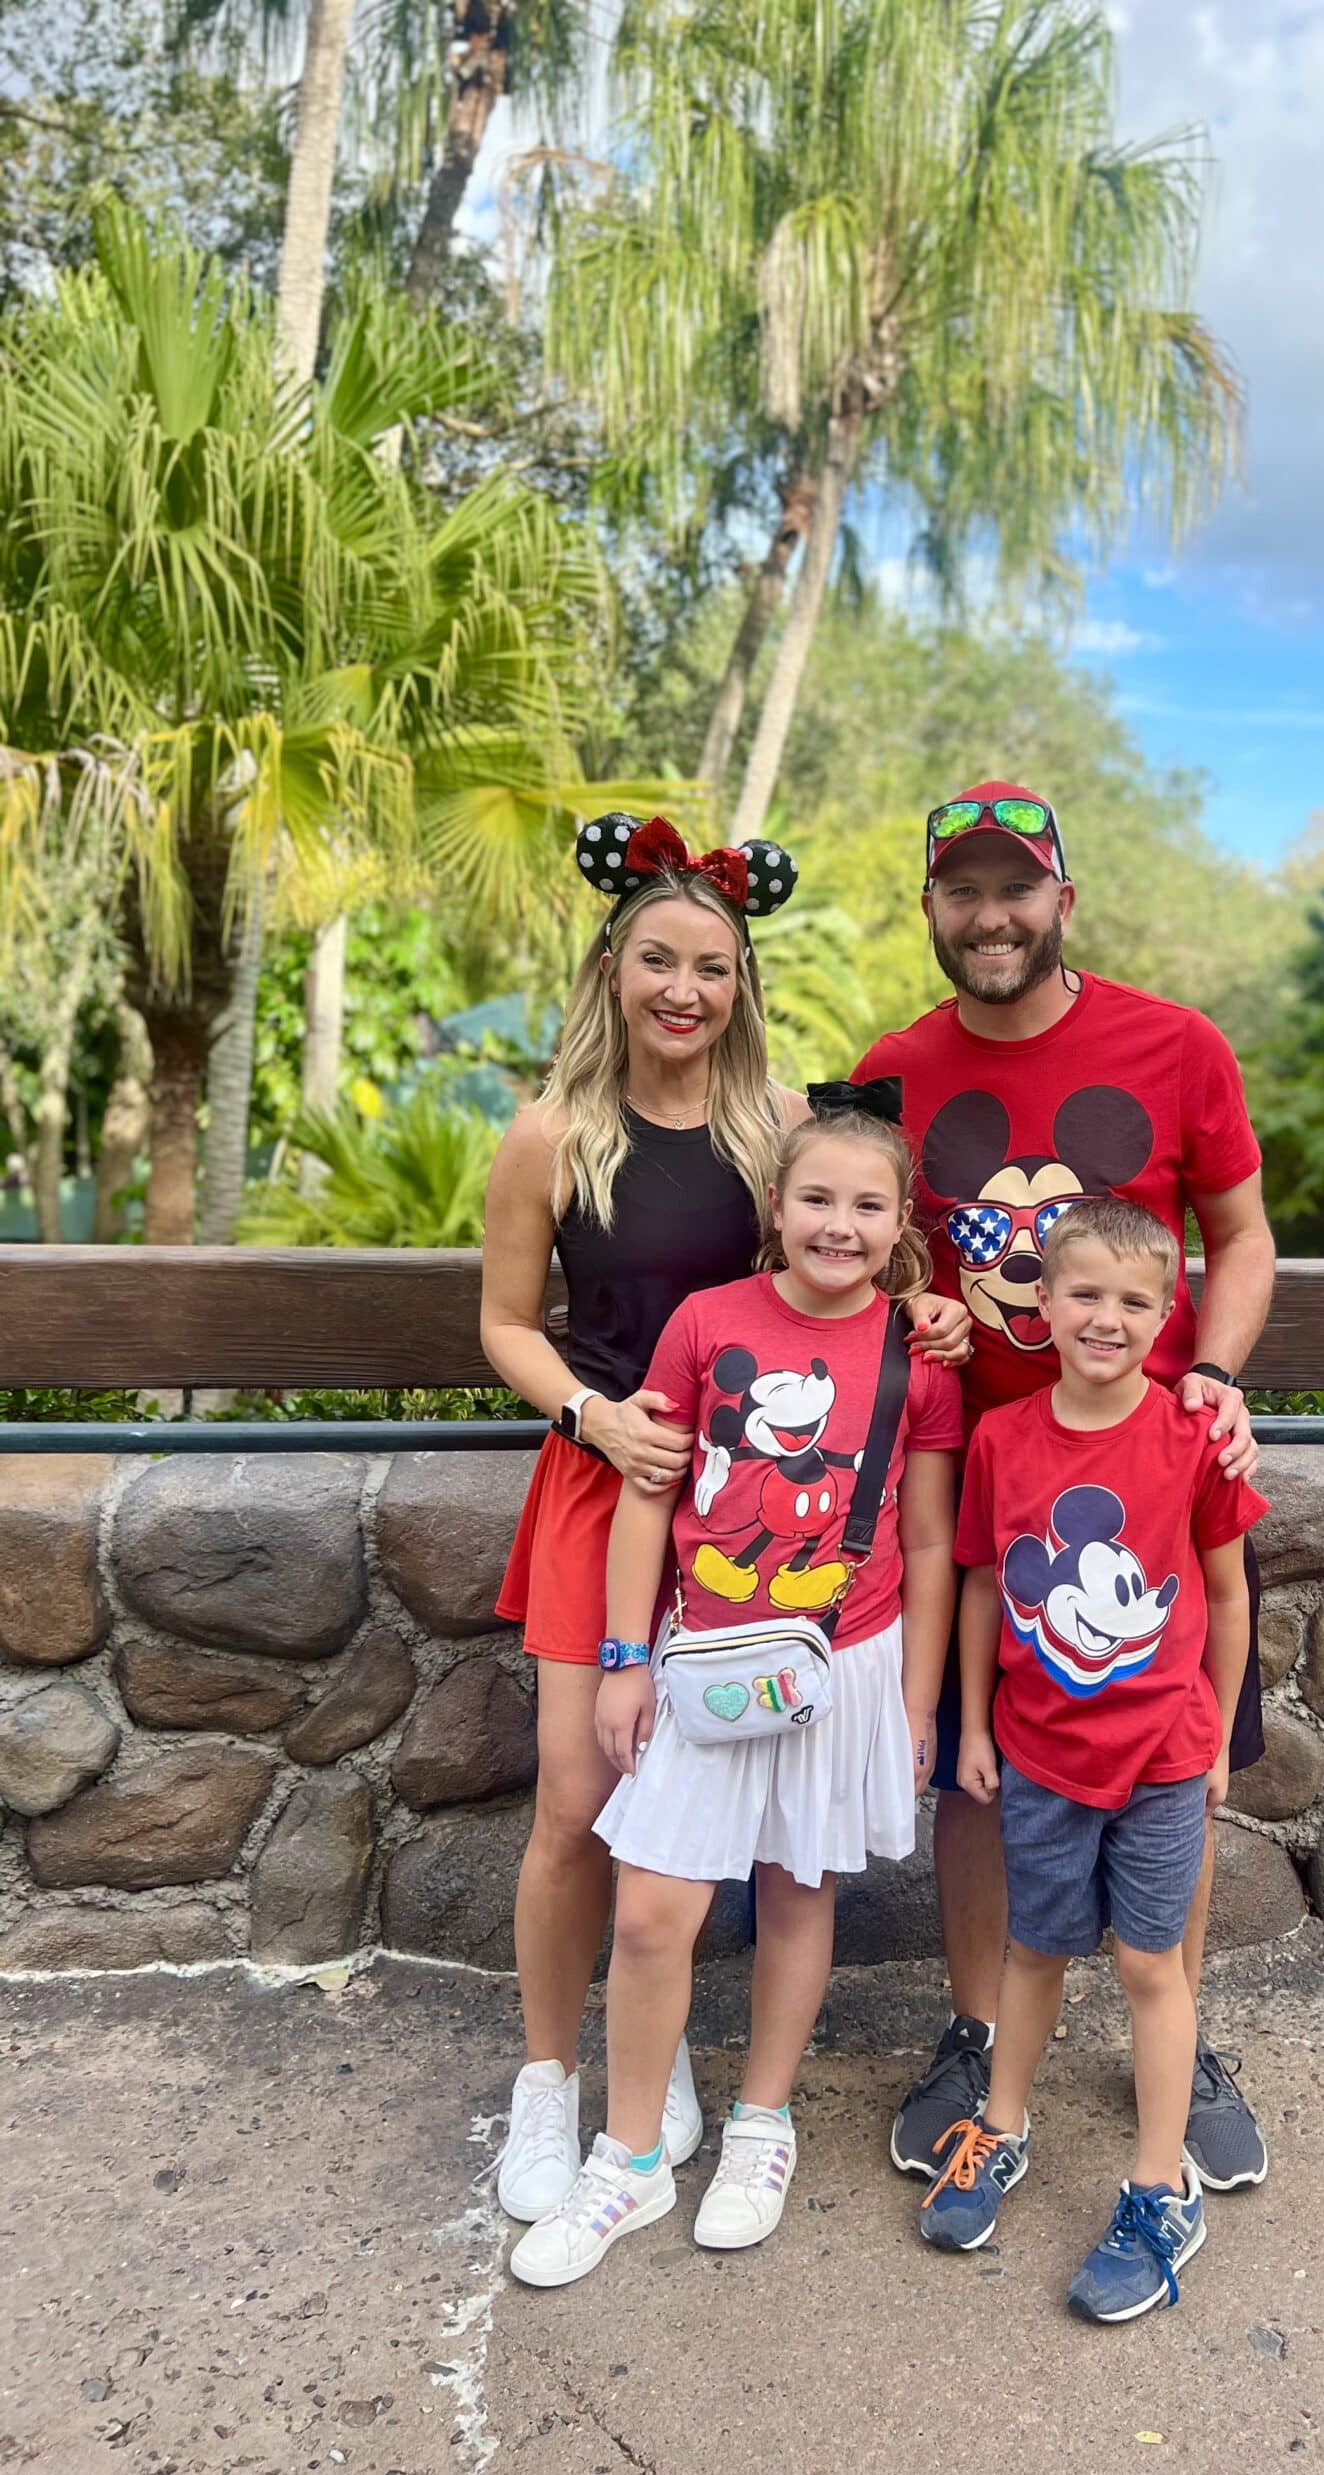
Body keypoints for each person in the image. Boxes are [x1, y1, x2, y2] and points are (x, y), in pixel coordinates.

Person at [480, 816, 967, 2226]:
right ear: (613, 969)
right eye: (657, 962)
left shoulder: (769, 1136)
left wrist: (923, 1309)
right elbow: (506, 1323)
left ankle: (684, 2072)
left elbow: (851, 1254)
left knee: (739, 1830)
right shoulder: (553, 1132)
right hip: (614, 1478)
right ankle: (548, 2083)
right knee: (580, 1806)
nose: (684, 991)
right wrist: (591, 1414)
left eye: (712, 967)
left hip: (763, 1514)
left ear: (741, 983)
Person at [853, 781, 1278, 2192]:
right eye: (963, 892)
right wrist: (914, 1314)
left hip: (1156, 1476)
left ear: (1061, 903)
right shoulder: (893, 1070)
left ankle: (1182, 2030)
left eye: (1015, 890)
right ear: (931, 909)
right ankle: (978, 2031)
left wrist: (1211, 1378)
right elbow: (872, 1252)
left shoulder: (1172, 1045)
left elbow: (1241, 1235)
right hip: (986, 1492)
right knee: (981, 1770)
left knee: (1177, 1750)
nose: (991, 917)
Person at [919, 1199, 1267, 2321]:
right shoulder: (1002, 1438)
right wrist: (970, 1727)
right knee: (1034, 1949)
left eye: (1133, 1301)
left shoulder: (1190, 1437)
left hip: (1162, 1756)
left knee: (1150, 1966)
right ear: (1042, 1302)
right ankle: (1001, 2129)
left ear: (1168, 1316)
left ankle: (1160, 2188)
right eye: (1085, 1294)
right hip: (1036, 1755)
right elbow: (980, 1580)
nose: (1106, 1317)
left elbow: (1222, 1590)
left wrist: (1212, 1728)